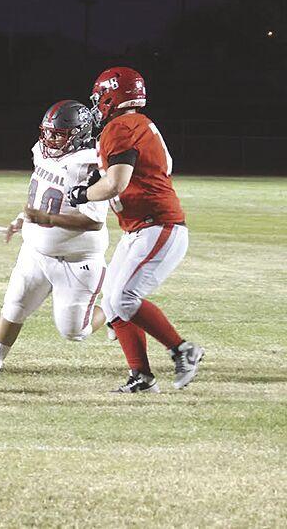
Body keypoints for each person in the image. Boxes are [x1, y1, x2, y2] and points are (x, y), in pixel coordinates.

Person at [68, 66, 204, 393]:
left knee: (125, 297)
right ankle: (141, 376)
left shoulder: (121, 126)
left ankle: (182, 350)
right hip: (142, 227)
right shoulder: (135, 124)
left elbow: (116, 183)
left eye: (101, 96)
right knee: (113, 302)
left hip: (158, 224)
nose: (98, 103)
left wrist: (83, 194)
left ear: (113, 95)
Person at [0, 100, 108, 384]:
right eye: (48, 132)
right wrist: (23, 216)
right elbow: (41, 192)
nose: (50, 139)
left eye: (59, 134)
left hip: (76, 261)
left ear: (79, 134)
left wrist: (48, 219)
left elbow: (93, 221)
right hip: (35, 252)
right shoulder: (41, 151)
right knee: (13, 306)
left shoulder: (91, 163)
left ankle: (114, 309)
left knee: (74, 332)